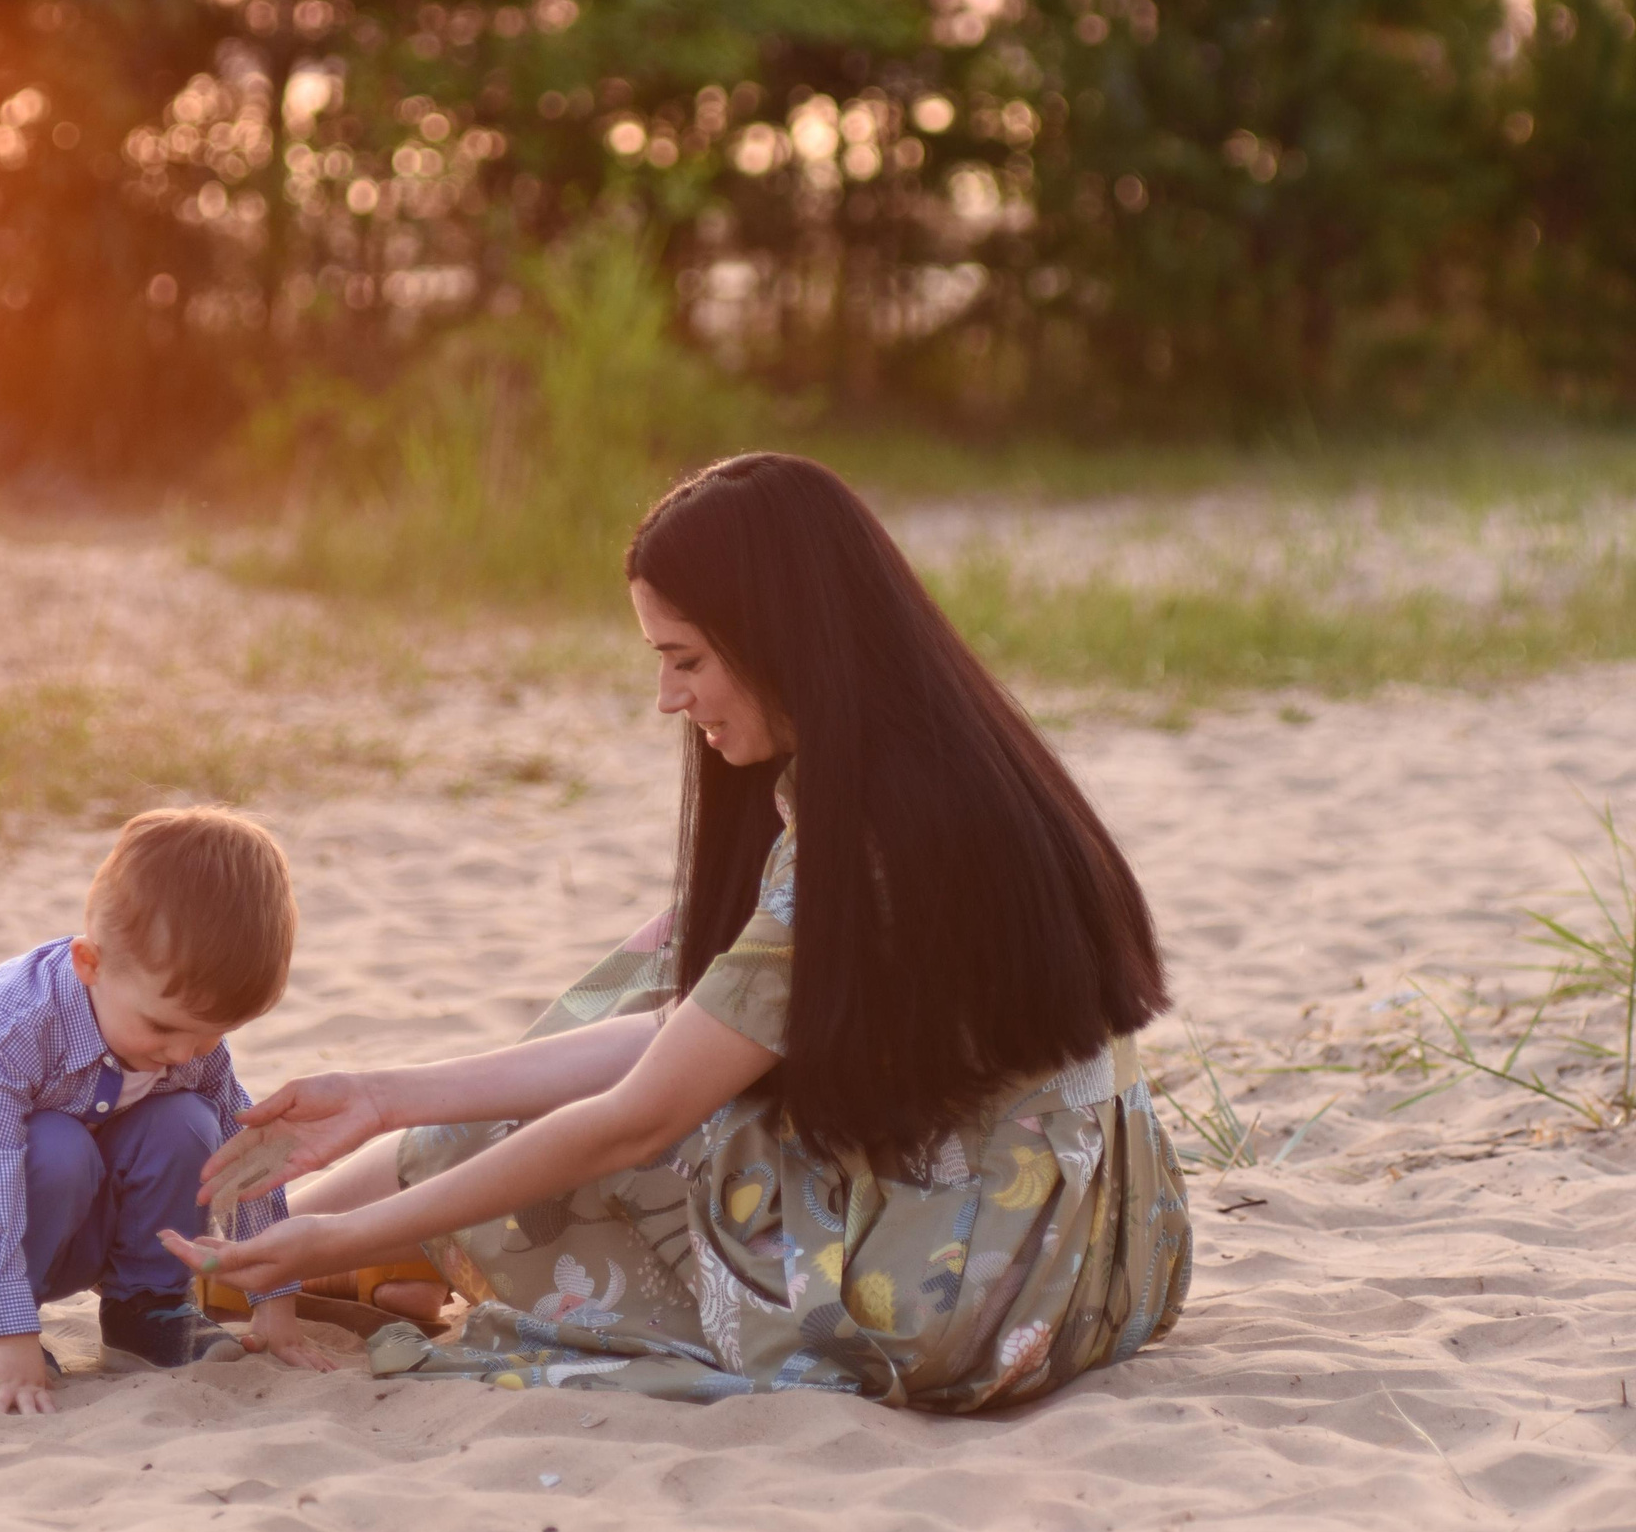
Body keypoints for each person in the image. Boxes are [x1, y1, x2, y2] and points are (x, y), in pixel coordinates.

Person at [162, 454, 1192, 1407]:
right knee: (663, 982)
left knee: (630, 1115)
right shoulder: (952, 757)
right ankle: (322, 1246)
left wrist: (341, 1223)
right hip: (1109, 1253)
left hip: (963, 1297)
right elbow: (690, 1031)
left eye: (686, 658)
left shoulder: (864, 843)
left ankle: (308, 1249)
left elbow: (639, 1117)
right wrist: (384, 1094)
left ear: (780, 635)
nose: (667, 697)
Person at [0, 806, 333, 1416]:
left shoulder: (181, 1037)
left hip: (84, 1208)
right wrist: (9, 1334)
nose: (182, 1053)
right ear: (88, 964)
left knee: (190, 1122)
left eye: (208, 1037)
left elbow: (244, 1159)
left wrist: (275, 1301)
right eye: (164, 1029)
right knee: (55, 1143)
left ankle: (146, 1310)